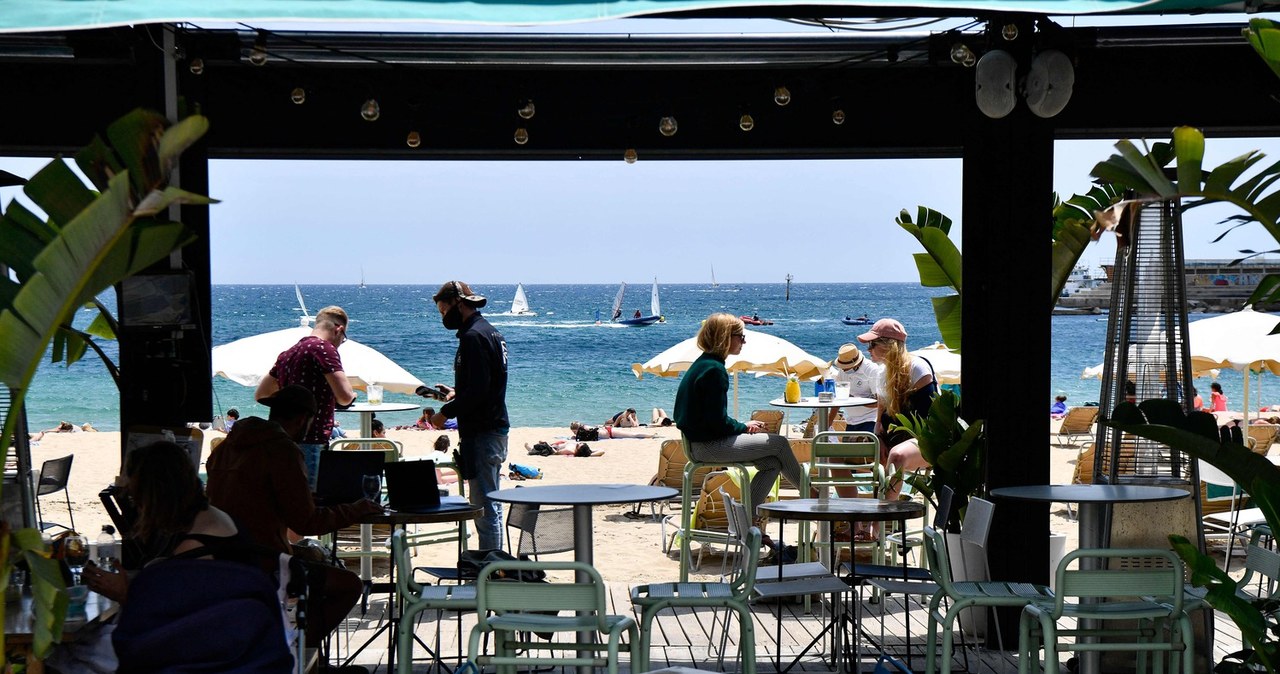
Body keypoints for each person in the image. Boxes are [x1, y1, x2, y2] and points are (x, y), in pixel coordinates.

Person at [205, 384, 381, 654]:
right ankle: (302, 655)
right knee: (347, 585)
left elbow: (255, 495)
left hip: (224, 558)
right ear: (303, 420)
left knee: (313, 560)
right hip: (264, 562)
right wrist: (357, 509)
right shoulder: (282, 450)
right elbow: (306, 523)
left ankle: (299, 652)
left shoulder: (226, 448)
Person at [672, 313, 805, 513]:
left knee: (771, 464)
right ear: (725, 336)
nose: (744, 341)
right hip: (708, 446)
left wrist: (742, 426)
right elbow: (716, 422)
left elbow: (707, 417)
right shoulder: (714, 370)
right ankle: (811, 494)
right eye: (740, 336)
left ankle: (746, 518)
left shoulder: (701, 365)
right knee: (779, 443)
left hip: (697, 444)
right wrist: (744, 427)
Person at [428, 281, 510, 550]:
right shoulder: (490, 332)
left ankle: (491, 569)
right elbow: (485, 383)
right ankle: (493, 565)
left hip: (483, 431)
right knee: (490, 504)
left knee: (484, 508)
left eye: (443, 311)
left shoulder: (473, 337)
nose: (443, 317)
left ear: (459, 303)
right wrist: (455, 393)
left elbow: (479, 390)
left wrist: (445, 413)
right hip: (493, 427)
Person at [255, 305, 356, 490]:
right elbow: (345, 397)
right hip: (312, 438)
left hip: (284, 441)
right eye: (343, 339)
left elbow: (261, 394)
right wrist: (352, 393)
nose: (340, 343)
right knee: (308, 504)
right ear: (338, 329)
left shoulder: (288, 353)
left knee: (289, 501)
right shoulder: (324, 349)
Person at [860, 318, 937, 501]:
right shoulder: (881, 373)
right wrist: (879, 434)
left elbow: (927, 421)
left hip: (927, 441)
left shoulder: (918, 369)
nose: (868, 349)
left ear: (889, 345)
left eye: (872, 344)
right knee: (834, 455)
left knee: (896, 455)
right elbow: (882, 413)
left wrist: (891, 443)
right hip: (897, 439)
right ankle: (859, 520)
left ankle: (877, 524)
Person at [826, 343, 882, 433]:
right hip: (850, 420)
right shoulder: (842, 369)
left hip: (870, 420)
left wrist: (855, 400)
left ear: (856, 364)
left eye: (846, 368)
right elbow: (838, 400)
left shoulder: (871, 370)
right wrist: (828, 422)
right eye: (842, 367)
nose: (843, 370)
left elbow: (879, 402)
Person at [569, 421, 655, 440]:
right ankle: (651, 435)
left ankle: (651, 435)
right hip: (608, 430)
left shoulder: (585, 429)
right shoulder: (584, 428)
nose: (575, 433)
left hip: (609, 432)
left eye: (575, 431)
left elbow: (595, 432)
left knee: (632, 435)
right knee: (632, 434)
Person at [526, 441, 606, 457]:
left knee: (543, 447)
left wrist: (589, 455)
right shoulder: (575, 447)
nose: (579, 443)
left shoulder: (571, 450)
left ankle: (531, 450)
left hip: (553, 449)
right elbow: (602, 450)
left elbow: (556, 453)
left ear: (579, 450)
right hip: (558, 445)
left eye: (580, 445)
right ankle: (532, 449)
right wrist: (590, 454)